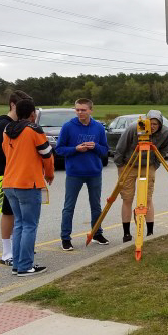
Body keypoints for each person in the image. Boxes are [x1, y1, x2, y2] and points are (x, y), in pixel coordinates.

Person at [2, 99, 54, 276]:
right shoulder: (34, 130)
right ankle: (25, 265)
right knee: (30, 225)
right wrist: (50, 174)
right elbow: (47, 154)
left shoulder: (7, 130)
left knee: (19, 225)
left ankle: (17, 264)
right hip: (28, 183)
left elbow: (6, 152)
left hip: (9, 182)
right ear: (33, 114)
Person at [55, 98, 110, 251]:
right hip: (74, 173)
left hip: (94, 172)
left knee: (96, 206)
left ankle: (97, 233)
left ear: (91, 110)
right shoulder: (68, 127)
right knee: (69, 207)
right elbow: (59, 149)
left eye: (83, 110)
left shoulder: (98, 127)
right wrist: (75, 149)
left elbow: (105, 150)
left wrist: (96, 146)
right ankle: (65, 238)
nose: (80, 112)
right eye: (77, 109)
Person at [114, 110, 168, 242]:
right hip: (128, 165)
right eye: (150, 123)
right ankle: (126, 233)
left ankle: (150, 233)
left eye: (155, 124)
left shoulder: (166, 133)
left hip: (148, 166)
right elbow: (120, 147)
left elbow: (163, 150)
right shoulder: (134, 128)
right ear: (145, 122)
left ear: (160, 124)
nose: (152, 127)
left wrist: (155, 165)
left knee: (147, 198)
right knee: (127, 199)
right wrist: (120, 166)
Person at [0, 90, 32, 266]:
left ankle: (17, 246)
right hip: (5, 176)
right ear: (13, 105)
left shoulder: (17, 125)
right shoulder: (3, 125)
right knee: (8, 213)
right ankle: (6, 252)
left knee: (18, 213)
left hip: (18, 176)